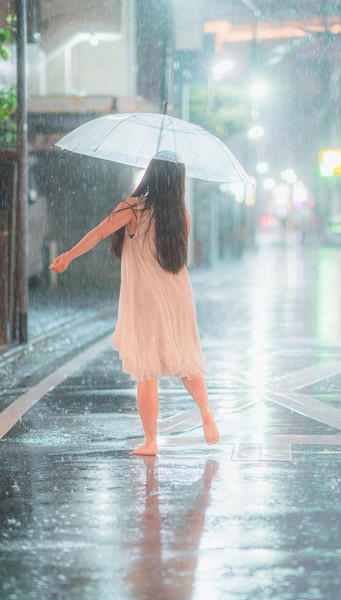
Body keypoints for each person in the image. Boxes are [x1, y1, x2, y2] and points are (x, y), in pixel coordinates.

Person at [49, 155, 220, 456]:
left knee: (147, 372)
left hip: (145, 300)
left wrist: (69, 256)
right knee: (187, 362)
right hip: (179, 296)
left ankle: (151, 442)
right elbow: (177, 257)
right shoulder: (181, 214)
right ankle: (205, 411)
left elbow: (98, 232)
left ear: (150, 174)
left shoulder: (132, 207)